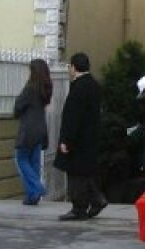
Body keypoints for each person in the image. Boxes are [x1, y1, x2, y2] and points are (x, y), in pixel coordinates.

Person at [57, 52, 106, 221]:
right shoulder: (94, 85)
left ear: (74, 67)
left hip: (78, 140)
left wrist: (66, 140)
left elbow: (73, 117)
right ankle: (96, 198)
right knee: (86, 173)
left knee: (76, 175)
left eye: (69, 67)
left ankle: (79, 207)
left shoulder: (78, 87)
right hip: (90, 138)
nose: (69, 70)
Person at [13, 58, 52, 205]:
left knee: (21, 159)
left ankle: (37, 188)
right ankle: (32, 196)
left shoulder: (30, 88)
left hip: (28, 129)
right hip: (41, 128)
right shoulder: (45, 89)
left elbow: (18, 107)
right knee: (34, 161)